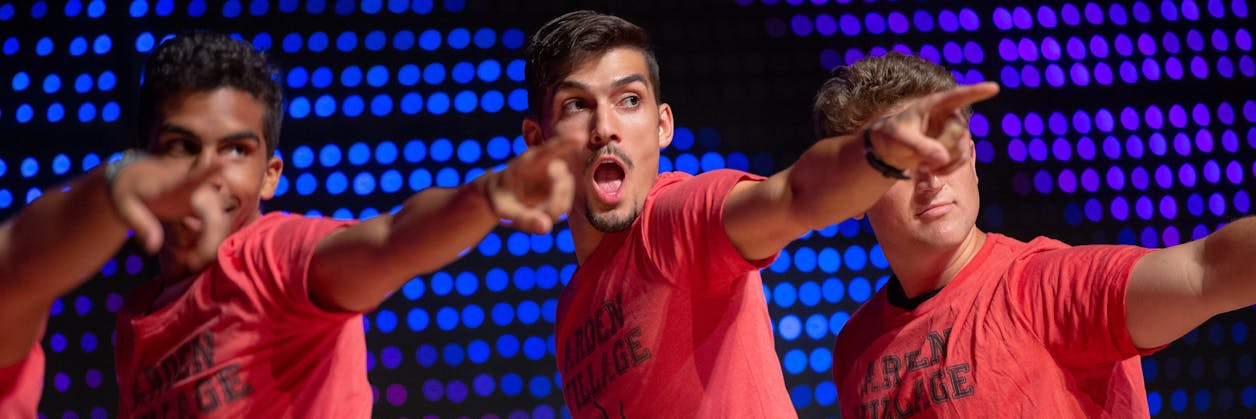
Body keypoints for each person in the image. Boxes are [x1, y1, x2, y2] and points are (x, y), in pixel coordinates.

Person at [4, 31, 577, 418]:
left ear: (270, 173)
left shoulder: (276, 255)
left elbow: (392, 242)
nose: (207, 175)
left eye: (235, 151)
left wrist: (484, 196)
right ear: (145, 158)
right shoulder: (135, 321)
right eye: (182, 147)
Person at [522, 11, 997, 418]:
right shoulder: (571, 312)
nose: (605, 128)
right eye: (577, 105)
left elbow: (795, 195)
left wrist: (877, 152)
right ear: (537, 141)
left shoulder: (677, 222)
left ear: (662, 125)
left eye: (629, 101)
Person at [817, 52, 1256, 418]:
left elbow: (1206, 271)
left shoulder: (1044, 286)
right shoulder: (856, 346)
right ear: (850, 196)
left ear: (971, 158)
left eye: (944, 148)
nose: (931, 178)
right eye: (899, 162)